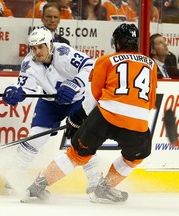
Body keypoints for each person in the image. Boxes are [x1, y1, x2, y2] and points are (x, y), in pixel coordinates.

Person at [22, 23, 157, 204]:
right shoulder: (151, 65)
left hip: (104, 116)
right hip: (137, 121)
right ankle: (105, 188)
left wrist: (77, 119)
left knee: (76, 155)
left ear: (116, 43)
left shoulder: (105, 60)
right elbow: (150, 102)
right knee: (136, 156)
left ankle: (36, 188)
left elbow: (92, 97)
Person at [2, 27, 102, 198]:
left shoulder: (64, 52)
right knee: (35, 136)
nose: (37, 51)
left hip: (76, 100)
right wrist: (17, 93)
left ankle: (95, 179)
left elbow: (90, 66)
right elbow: (27, 90)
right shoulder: (29, 64)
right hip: (50, 102)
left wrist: (75, 83)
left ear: (50, 44)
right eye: (33, 48)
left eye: (40, 46)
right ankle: (14, 176)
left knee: (81, 140)